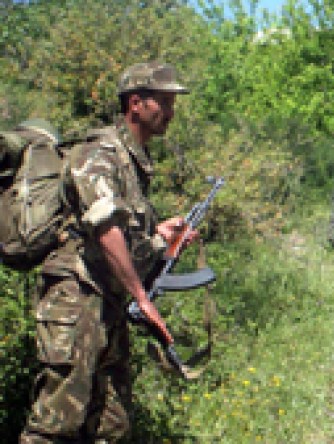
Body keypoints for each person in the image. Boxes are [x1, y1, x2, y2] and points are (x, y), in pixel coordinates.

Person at [21, 62, 197, 443]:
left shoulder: (134, 161)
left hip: (109, 304)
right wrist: (141, 298)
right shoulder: (98, 153)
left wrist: (160, 239)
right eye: (163, 102)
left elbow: (125, 240)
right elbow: (105, 230)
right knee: (56, 425)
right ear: (135, 103)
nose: (171, 112)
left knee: (112, 426)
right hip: (77, 298)